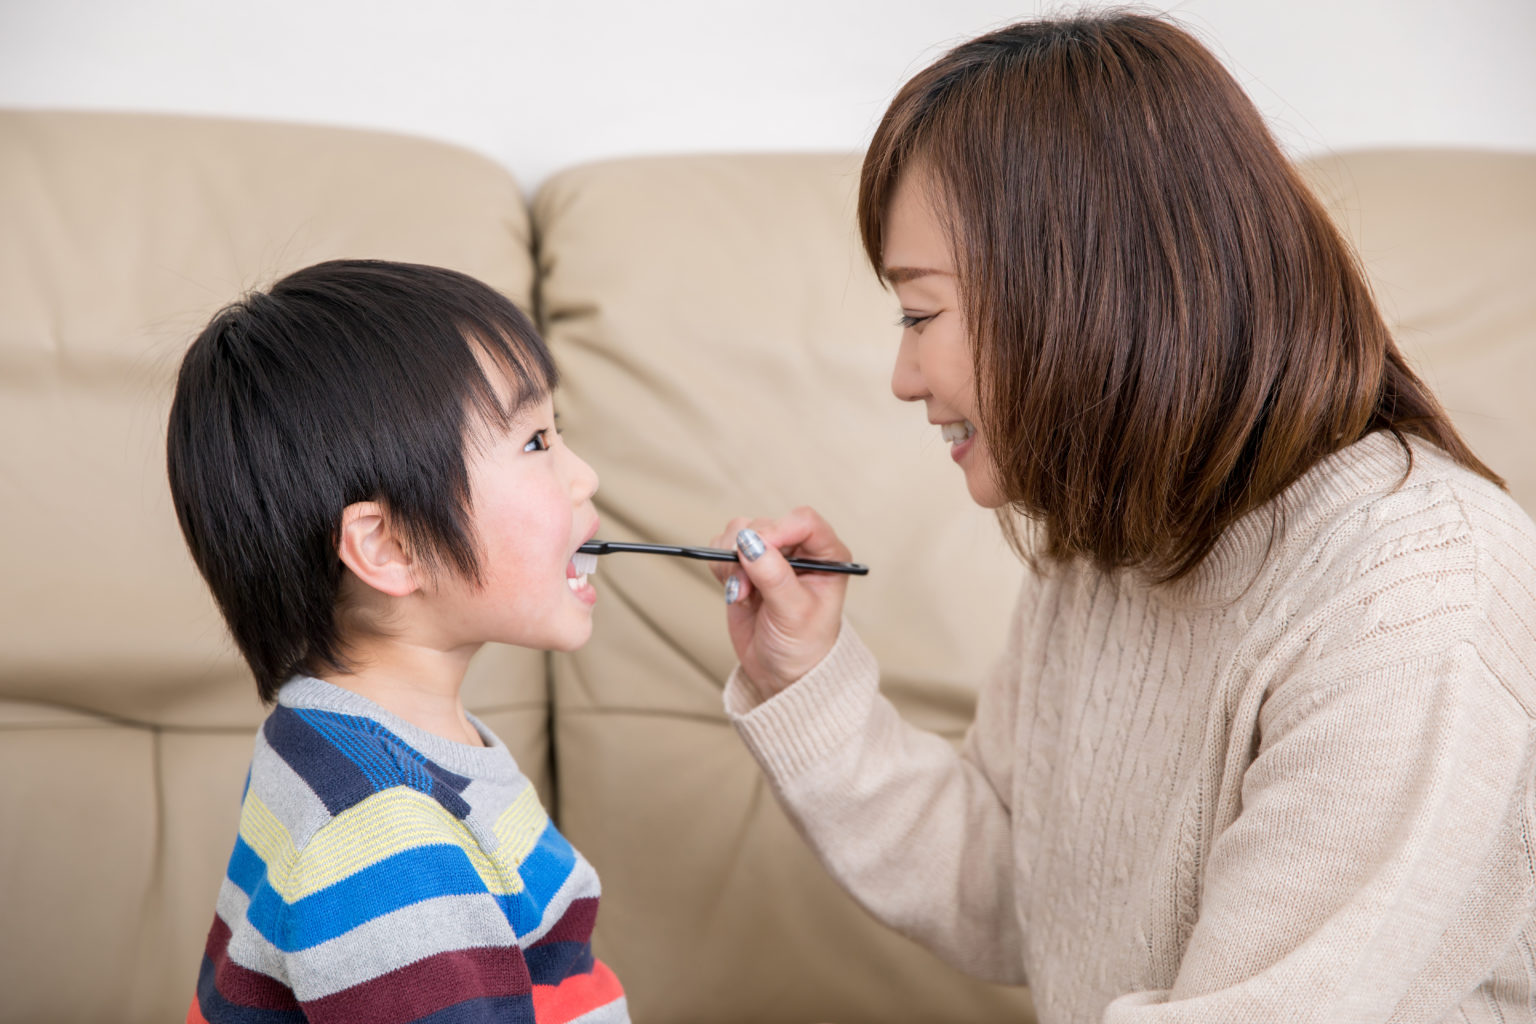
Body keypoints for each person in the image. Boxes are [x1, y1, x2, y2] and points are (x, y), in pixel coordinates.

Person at [710, 12, 1536, 1021]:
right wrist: (806, 682)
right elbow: (1015, 889)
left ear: (1078, 289)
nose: (903, 376)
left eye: (920, 313)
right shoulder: (1108, 546)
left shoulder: (1417, 597)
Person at [167, 260, 627, 1023]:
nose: (586, 475)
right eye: (537, 442)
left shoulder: (339, 740)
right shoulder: (383, 841)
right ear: (389, 548)